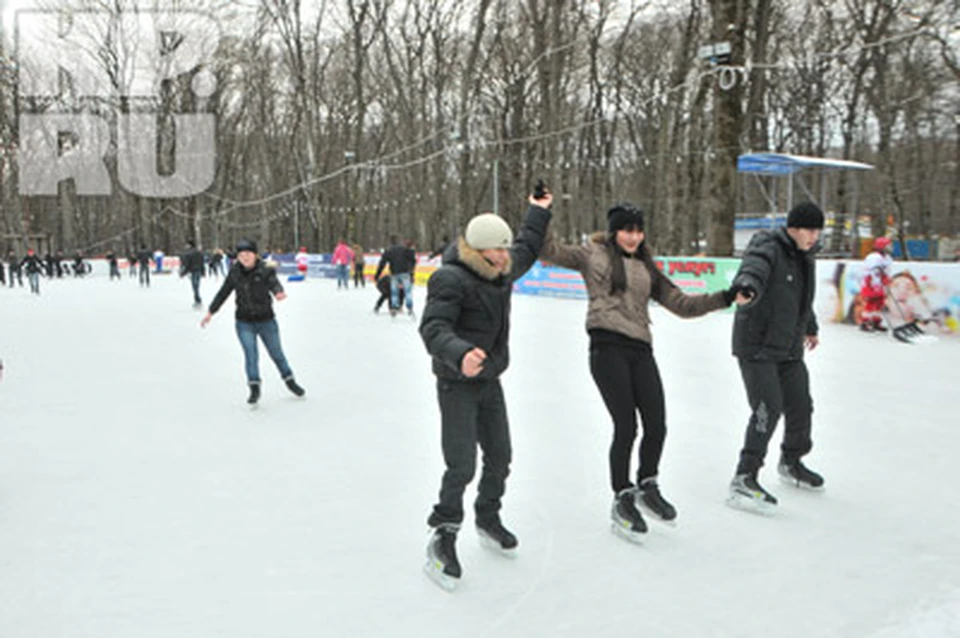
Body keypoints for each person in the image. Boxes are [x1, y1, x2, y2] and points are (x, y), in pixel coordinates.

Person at [541, 203, 743, 541]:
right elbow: (548, 250)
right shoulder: (591, 255)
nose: (633, 236)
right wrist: (542, 212)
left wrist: (726, 297)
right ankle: (622, 495)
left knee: (657, 423)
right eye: (626, 230)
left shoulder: (648, 267)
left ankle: (647, 483)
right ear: (614, 231)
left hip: (640, 349)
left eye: (638, 230)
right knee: (626, 425)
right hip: (606, 348)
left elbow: (682, 304)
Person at [418, 190, 553, 589]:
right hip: (456, 382)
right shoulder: (450, 278)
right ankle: (443, 533)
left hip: (489, 379)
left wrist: (537, 211)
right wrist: (459, 354)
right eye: (496, 249)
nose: (503, 255)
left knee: (501, 456)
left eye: (504, 248)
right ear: (478, 250)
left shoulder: (503, 269)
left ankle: (487, 514)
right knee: (461, 464)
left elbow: (528, 246)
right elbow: (433, 328)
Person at [727, 202, 826, 515]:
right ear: (793, 228)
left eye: (818, 230)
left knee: (800, 404)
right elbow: (752, 270)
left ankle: (792, 460)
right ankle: (745, 475)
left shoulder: (804, 256)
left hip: (787, 347)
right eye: (810, 229)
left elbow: (801, 297)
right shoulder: (767, 247)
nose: (814, 236)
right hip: (756, 344)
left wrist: (810, 327)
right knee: (767, 408)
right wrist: (747, 287)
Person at [201, 239, 305, 405]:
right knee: (251, 355)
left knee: (276, 353)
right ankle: (254, 387)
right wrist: (211, 311)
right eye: (241, 255)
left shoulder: (265, 269)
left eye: (248, 254)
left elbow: (274, 283)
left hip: (266, 321)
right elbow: (224, 292)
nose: (244, 258)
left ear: (255, 254)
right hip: (244, 322)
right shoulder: (235, 272)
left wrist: (278, 292)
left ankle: (290, 381)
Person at [374, 235, 417, 316]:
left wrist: (377, 275)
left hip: (395, 273)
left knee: (394, 292)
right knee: (407, 291)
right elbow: (412, 259)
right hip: (405, 273)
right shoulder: (405, 249)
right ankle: (409, 307)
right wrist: (411, 271)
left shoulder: (389, 251)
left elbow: (382, 264)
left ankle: (393, 307)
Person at [859, 237, 894, 332]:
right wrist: (875, 283)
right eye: (887, 246)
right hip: (870, 283)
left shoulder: (887, 258)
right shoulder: (873, 257)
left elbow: (886, 271)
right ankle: (865, 322)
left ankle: (876, 321)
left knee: (880, 302)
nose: (890, 248)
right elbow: (872, 272)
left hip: (880, 283)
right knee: (871, 302)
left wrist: (886, 279)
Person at [180, 240, 206, 308]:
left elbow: (188, 265)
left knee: (195, 287)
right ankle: (197, 299)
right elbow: (202, 263)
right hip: (198, 271)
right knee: (196, 286)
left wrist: (183, 273)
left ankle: (198, 300)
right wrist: (203, 272)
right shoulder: (199, 253)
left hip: (193, 271)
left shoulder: (189, 254)